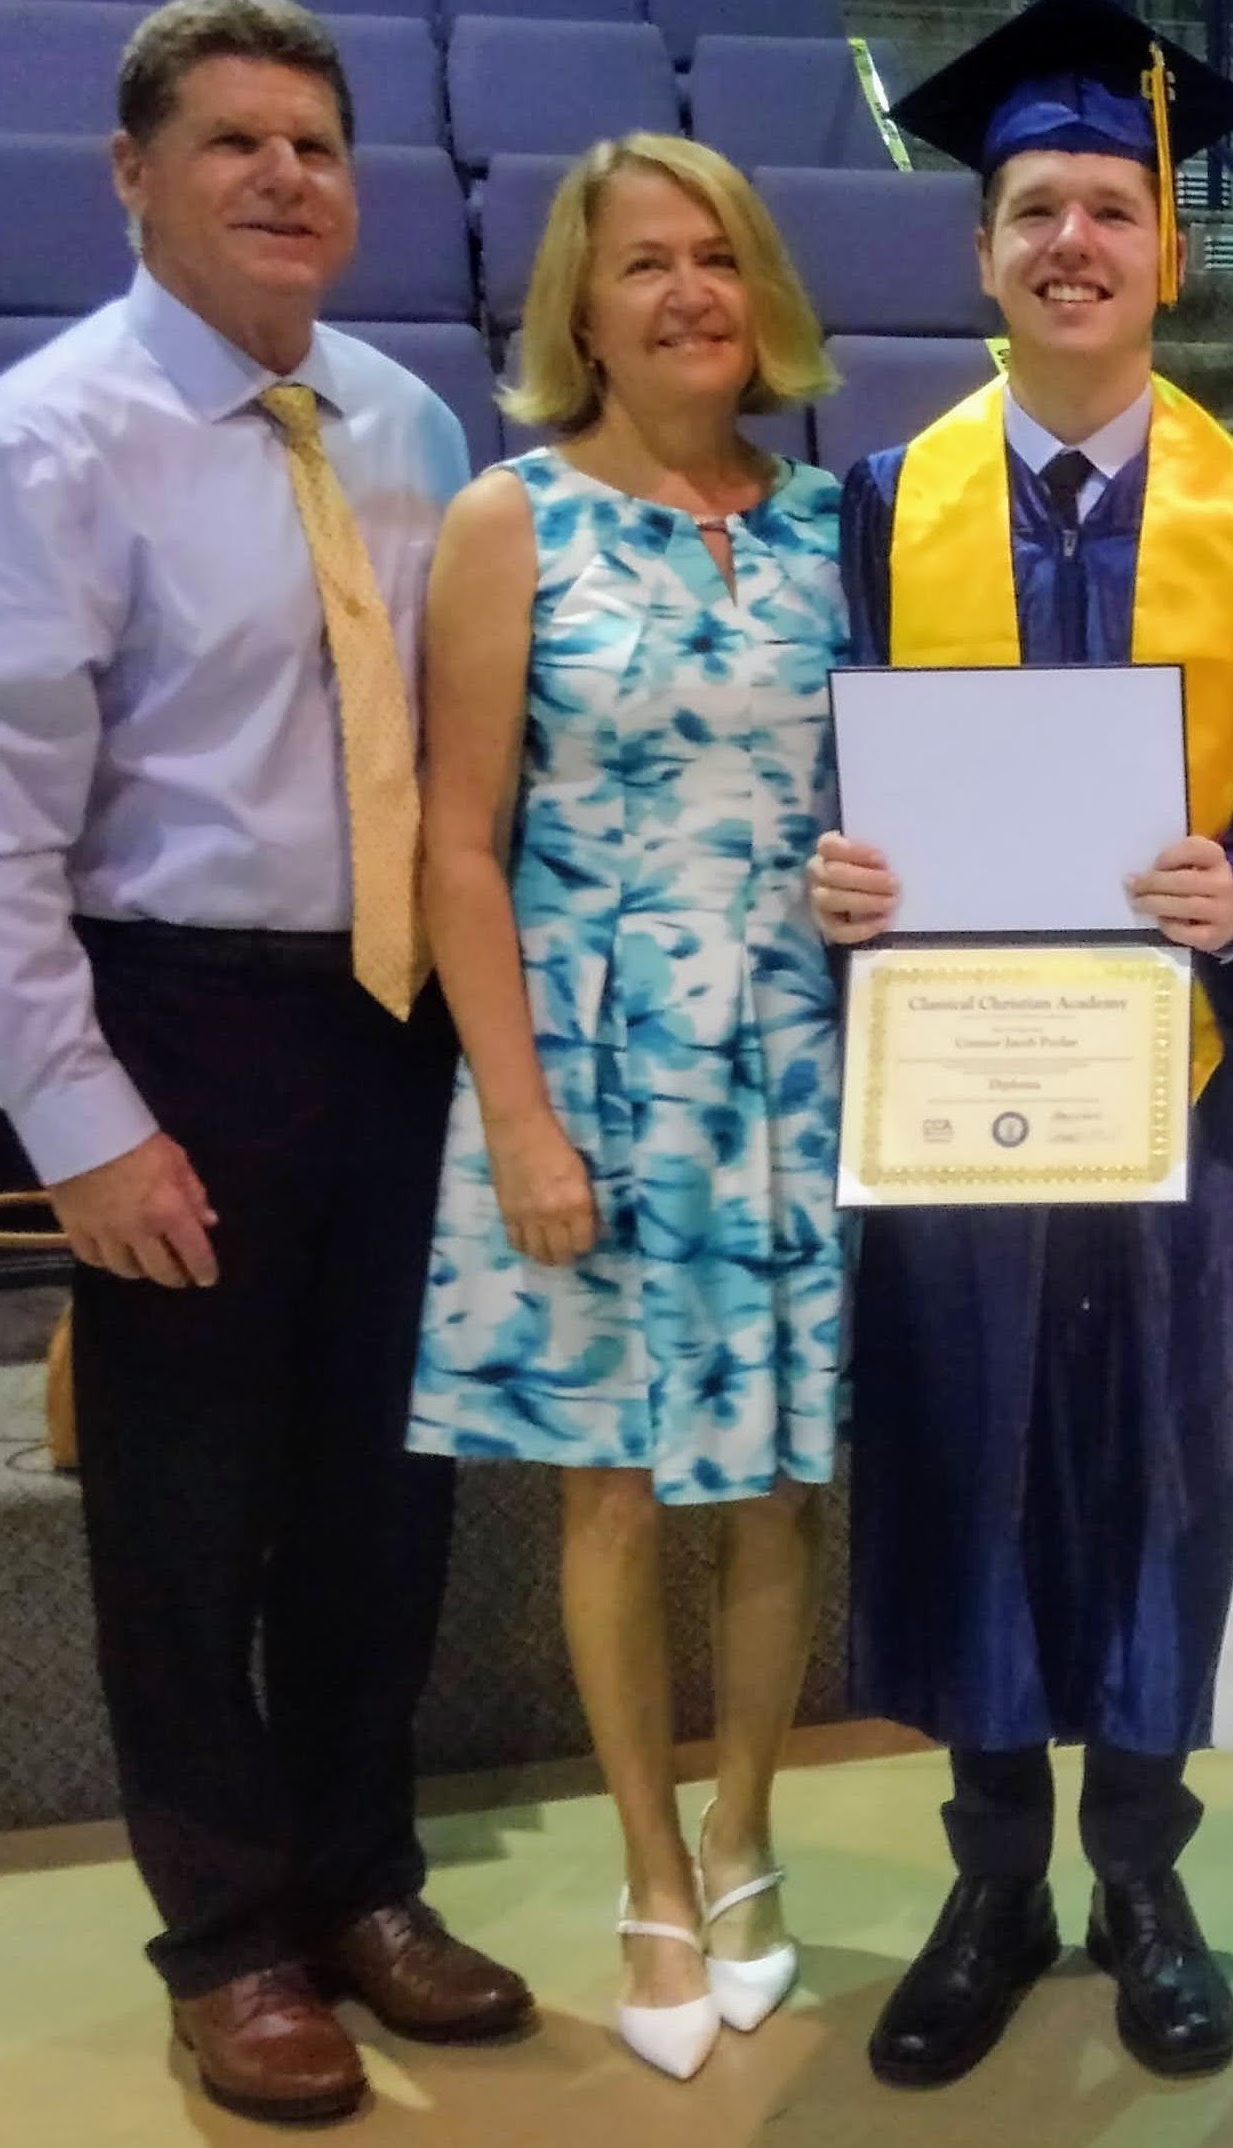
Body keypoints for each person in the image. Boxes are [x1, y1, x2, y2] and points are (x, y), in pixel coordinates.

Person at [0, 0, 528, 2122]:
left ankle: (359, 1879)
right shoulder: (37, 444)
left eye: (318, 144)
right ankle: (228, 1937)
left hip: (390, 1019)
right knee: (182, 1514)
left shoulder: (407, 424)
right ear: (133, 176)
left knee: (380, 1498)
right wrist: (87, 1130)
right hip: (179, 1014)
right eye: (233, 141)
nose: (284, 178)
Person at [806, 0, 1233, 2089]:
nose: (1074, 239)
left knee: (1167, 1471)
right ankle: (991, 1876)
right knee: (970, 1454)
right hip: (957, 1089)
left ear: (1169, 250)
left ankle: (1145, 1877)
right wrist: (838, 884)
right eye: (1034, 207)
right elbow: (817, 775)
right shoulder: (887, 512)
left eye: (1111, 206)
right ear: (980, 253)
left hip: (1176, 1086)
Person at [406, 134, 844, 2083]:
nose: (685, 292)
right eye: (643, 262)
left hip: (798, 1062)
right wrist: (515, 1116)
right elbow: (453, 840)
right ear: (576, 307)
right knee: (610, 1489)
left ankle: (749, 1836)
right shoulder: (510, 522)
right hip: (592, 1063)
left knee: (773, 1485)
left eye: (717, 259)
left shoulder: (846, 526)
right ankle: (650, 1871)